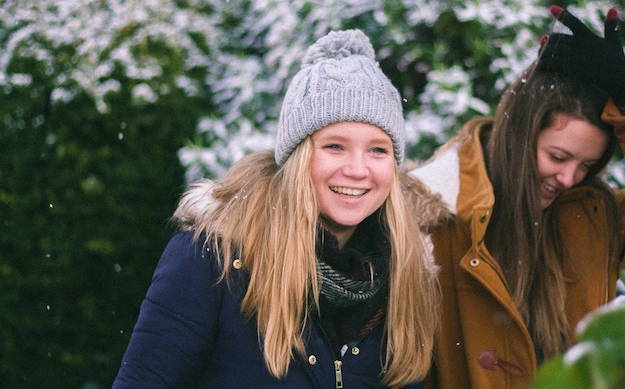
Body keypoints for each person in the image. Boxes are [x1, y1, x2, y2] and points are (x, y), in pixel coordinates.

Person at [113, 29, 440, 388]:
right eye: (334, 146)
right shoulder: (212, 262)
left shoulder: (405, 278)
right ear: (297, 157)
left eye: (378, 150)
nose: (358, 169)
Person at [407, 6, 625, 388]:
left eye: (587, 165)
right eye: (558, 157)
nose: (569, 179)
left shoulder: (592, 217)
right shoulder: (436, 214)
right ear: (520, 132)